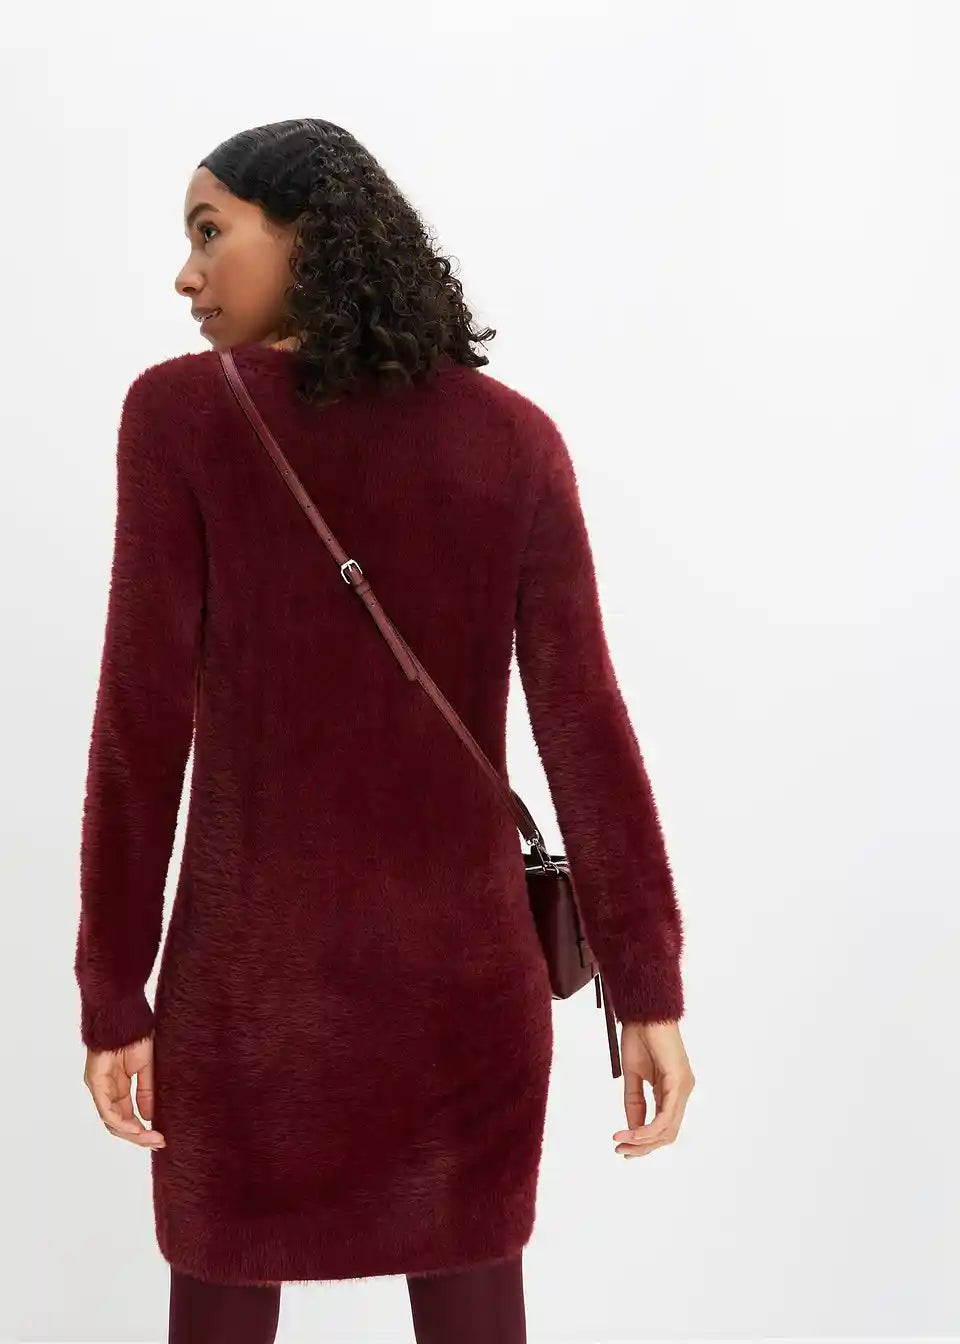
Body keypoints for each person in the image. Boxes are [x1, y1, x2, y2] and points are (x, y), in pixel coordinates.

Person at [75, 118, 695, 1344]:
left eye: (209, 232)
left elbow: (139, 730)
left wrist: (113, 989)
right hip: (465, 998)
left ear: (305, 239)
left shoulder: (179, 419)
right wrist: (648, 993)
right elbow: (586, 728)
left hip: (249, 1000)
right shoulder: (516, 440)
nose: (186, 275)